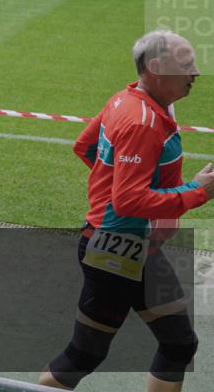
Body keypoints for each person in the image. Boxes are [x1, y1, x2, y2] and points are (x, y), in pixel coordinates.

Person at [40, 30, 214, 391]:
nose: (195, 72)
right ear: (156, 68)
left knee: (179, 344)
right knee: (82, 357)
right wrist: (197, 191)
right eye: (186, 64)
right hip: (115, 252)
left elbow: (84, 147)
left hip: (135, 248)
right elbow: (129, 201)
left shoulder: (126, 100)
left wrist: (116, 187)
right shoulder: (141, 121)